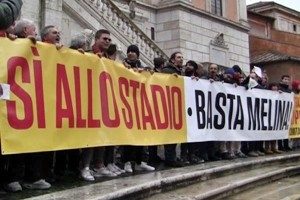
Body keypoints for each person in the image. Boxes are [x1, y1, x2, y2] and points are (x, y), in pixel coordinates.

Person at [122, 44, 155, 173]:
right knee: (128, 136)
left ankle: (139, 161)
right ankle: (127, 162)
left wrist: (150, 74)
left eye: (133, 52)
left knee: (141, 135)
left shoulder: (143, 67)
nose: (130, 53)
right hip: (127, 104)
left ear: (137, 54)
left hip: (140, 105)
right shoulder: (122, 65)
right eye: (129, 51)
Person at [161, 52, 185, 167]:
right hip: (168, 105)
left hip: (177, 106)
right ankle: (169, 158)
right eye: (178, 57)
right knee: (170, 133)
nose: (181, 59)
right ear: (172, 60)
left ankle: (173, 157)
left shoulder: (181, 72)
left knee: (176, 133)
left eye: (182, 58)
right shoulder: (166, 71)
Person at [278, 75, 293, 151]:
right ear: (282, 80)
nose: (286, 80)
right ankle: (280, 146)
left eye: (288, 79)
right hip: (280, 112)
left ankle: (286, 145)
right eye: (285, 79)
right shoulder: (279, 88)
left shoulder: (290, 90)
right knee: (280, 129)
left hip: (287, 112)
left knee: (286, 129)